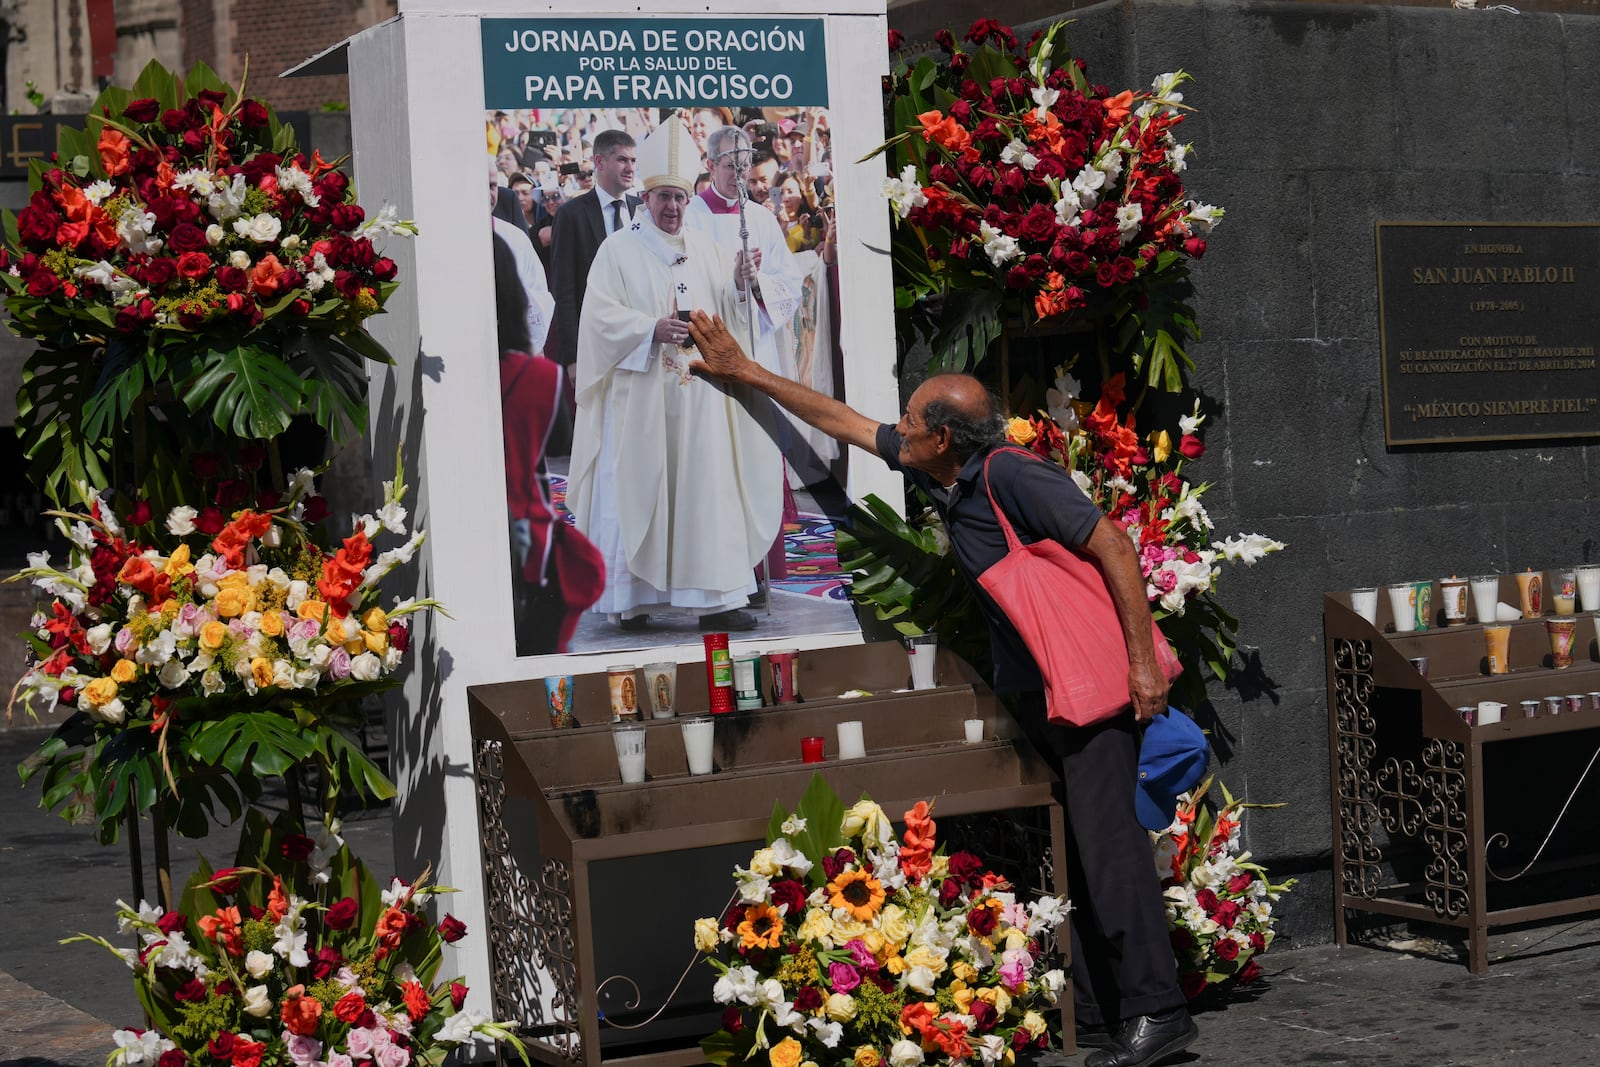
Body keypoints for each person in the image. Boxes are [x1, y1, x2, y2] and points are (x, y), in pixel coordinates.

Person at [685, 315, 1199, 1067]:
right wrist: (745, 371)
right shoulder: (942, 467)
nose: (896, 430)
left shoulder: (1011, 473)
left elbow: (1113, 543)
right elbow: (850, 425)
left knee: (1111, 846)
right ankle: (1099, 1007)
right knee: (1080, 850)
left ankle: (1159, 1009)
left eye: (910, 422)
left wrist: (1141, 664)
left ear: (944, 437)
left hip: (1092, 689)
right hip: (1044, 690)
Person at [566, 120, 783, 634]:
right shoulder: (617, 250)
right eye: (664, 197)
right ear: (646, 196)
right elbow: (596, 319)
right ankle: (634, 598)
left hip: (700, 397)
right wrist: (649, 329)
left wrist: (735, 282)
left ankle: (717, 598)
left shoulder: (704, 248)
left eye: (681, 199)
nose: (673, 208)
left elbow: (726, 312)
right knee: (642, 487)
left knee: (706, 488)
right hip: (640, 399)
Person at [493, 235, 602, 654]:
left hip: (475, 528)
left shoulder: (455, 381)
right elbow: (558, 441)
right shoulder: (541, 376)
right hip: (532, 538)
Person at [548, 129, 639, 369]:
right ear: (599, 161)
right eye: (622, 160)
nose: (630, 168)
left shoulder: (642, 210)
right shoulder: (571, 215)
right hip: (594, 345)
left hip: (640, 342)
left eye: (633, 161)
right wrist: (573, 357)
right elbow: (564, 290)